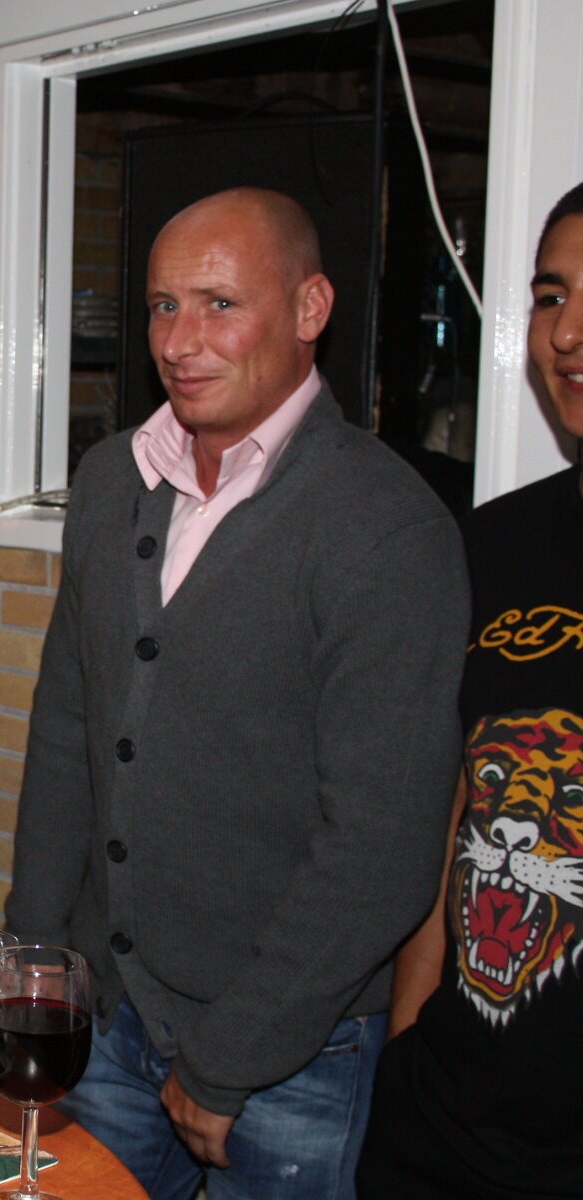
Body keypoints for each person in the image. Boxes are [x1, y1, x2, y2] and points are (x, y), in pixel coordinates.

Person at [2, 187, 469, 1200]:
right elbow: (67, 731)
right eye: (163, 306)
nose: (181, 341)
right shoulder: (111, 481)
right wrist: (34, 960)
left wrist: (230, 1060)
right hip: (108, 1012)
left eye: (220, 304)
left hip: (294, 1053)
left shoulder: (386, 527)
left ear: (310, 309)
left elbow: (383, 848)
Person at [356, 183, 583, 1199]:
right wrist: (408, 1041)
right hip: (441, 1126)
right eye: (550, 296)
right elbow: (455, 808)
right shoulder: (496, 541)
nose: (566, 333)